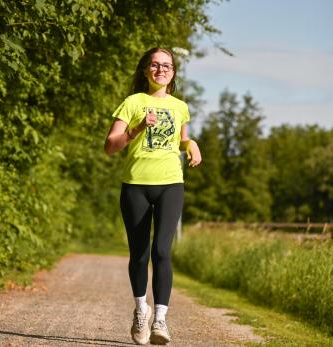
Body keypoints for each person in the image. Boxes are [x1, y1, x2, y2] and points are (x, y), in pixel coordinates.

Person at [104, 47, 202, 345]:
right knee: (139, 255)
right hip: (135, 186)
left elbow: (181, 138)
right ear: (146, 70)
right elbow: (110, 145)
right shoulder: (133, 102)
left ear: (173, 73)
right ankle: (140, 311)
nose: (161, 70)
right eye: (155, 65)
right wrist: (136, 129)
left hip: (171, 183)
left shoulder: (180, 106)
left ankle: (160, 319)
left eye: (167, 66)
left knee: (161, 251)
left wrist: (192, 144)